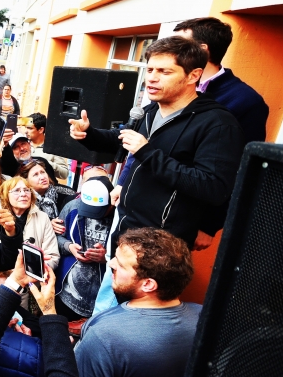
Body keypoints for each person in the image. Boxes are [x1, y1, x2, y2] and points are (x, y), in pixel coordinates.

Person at [69, 36, 244, 249]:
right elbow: (123, 138)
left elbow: (213, 187)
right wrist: (90, 134)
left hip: (161, 245)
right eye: (150, 70)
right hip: (125, 231)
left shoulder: (217, 124)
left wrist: (147, 152)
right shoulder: (151, 110)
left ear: (193, 75)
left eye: (164, 72)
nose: (152, 78)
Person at [76, 228, 200, 377]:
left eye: (121, 264)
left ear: (148, 284)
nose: (110, 263)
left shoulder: (105, 335)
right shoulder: (204, 318)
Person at [173, 16, 269, 143]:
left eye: (178, 44)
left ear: (201, 50)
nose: (169, 50)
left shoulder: (247, 101)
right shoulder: (170, 82)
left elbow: (242, 155)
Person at [56, 176, 115, 321]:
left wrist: (107, 258)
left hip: (102, 301)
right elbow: (55, 238)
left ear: (112, 203)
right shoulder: (72, 207)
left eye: (99, 211)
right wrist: (69, 247)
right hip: (66, 294)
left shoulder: (121, 218)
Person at [0, 176, 60, 307]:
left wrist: (36, 270)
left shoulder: (42, 218)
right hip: (1, 284)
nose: (23, 194)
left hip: (32, 286)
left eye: (26, 190)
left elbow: (53, 255)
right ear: (5, 196)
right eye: (16, 191)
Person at [25, 113, 69, 184]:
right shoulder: (22, 145)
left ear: (41, 130)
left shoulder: (53, 147)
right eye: (26, 127)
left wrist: (46, 163)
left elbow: (64, 174)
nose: (26, 131)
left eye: (30, 128)